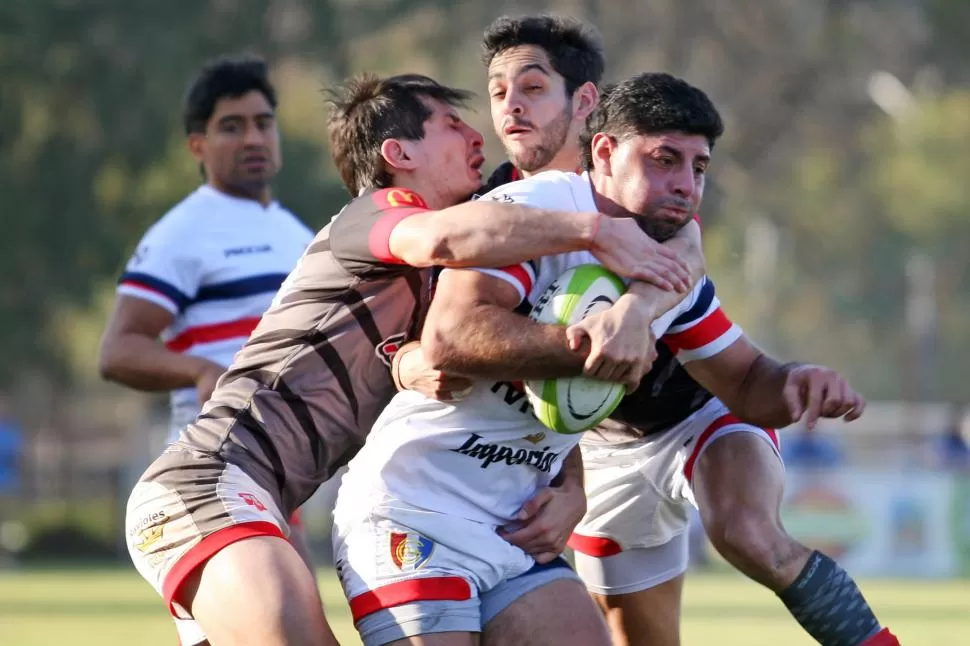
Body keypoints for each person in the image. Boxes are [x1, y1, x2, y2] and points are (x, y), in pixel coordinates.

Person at [122, 71, 692, 646]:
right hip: (205, 483)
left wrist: (572, 482)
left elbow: (486, 376)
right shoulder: (378, 213)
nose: (477, 137)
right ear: (398, 153)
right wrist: (595, 232)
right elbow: (443, 239)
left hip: (260, 501)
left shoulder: (437, 287)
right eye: (450, 125)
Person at [394, 15, 900, 646]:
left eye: (532, 89)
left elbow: (689, 274)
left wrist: (637, 318)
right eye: (499, 93)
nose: (512, 109)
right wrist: (409, 359)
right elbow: (445, 333)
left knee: (746, 532)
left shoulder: (659, 209)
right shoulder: (497, 207)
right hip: (598, 447)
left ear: (586, 107)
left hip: (693, 411)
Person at [98, 56, 316, 646]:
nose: (253, 138)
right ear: (197, 143)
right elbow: (117, 349)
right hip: (212, 474)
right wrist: (197, 368)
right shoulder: (182, 233)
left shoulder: (296, 233)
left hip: (277, 474)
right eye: (232, 126)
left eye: (263, 122)